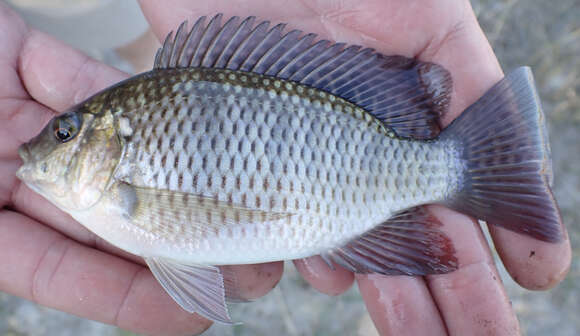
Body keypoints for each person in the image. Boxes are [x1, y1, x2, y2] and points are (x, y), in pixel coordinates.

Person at [0, 0, 571, 335]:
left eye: (67, 131)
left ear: (108, 141)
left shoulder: (123, 196)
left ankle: (465, 169)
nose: (45, 144)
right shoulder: (121, 185)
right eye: (62, 132)